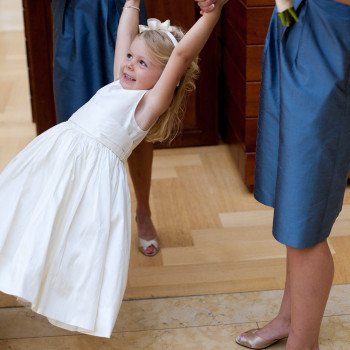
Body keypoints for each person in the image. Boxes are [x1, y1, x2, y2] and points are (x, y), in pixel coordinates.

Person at [0, 0, 228, 338]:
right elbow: (126, 31)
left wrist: (213, 13)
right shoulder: (117, 81)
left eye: (143, 64)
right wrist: (132, 3)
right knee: (23, 214)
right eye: (129, 57)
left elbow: (181, 57)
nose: (130, 66)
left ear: (165, 77)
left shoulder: (146, 105)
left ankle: (54, 287)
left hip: (91, 180)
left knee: (73, 241)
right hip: (55, 160)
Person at [199, 0, 350, 349]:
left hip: (329, 29)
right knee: (294, 200)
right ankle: (290, 318)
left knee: (305, 216)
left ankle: (304, 343)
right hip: (293, 19)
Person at [52, 0, 159, 256]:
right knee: (76, 119)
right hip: (76, 11)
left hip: (123, 5)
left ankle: (143, 210)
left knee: (136, 111)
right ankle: (81, 224)